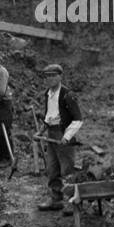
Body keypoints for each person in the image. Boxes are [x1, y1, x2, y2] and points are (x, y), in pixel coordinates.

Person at [36, 63, 82, 212]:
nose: (49, 79)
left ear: (60, 76)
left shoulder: (68, 95)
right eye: (47, 77)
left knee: (67, 169)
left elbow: (78, 119)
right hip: (51, 134)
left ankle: (72, 201)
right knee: (52, 168)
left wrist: (67, 137)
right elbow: (49, 116)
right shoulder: (47, 94)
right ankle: (56, 199)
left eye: (53, 76)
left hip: (64, 133)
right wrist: (40, 132)